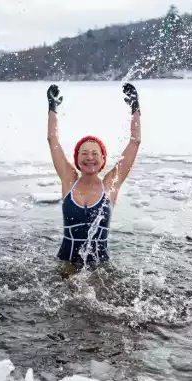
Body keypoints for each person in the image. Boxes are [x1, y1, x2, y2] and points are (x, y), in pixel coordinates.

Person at [46, 82, 142, 275]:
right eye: (84, 153)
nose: (89, 157)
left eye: (94, 154)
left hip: (100, 269)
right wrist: (52, 108)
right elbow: (52, 139)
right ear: (77, 159)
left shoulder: (110, 184)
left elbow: (135, 142)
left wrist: (135, 107)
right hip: (67, 265)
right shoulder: (69, 180)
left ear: (102, 159)